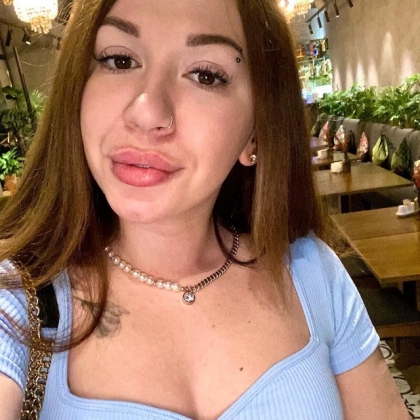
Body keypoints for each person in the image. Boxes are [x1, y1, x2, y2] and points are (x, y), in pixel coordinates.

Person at [0, 0, 409, 419]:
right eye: (119, 60)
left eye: (206, 75)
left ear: (255, 133)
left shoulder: (311, 273)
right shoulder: (16, 302)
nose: (147, 112)